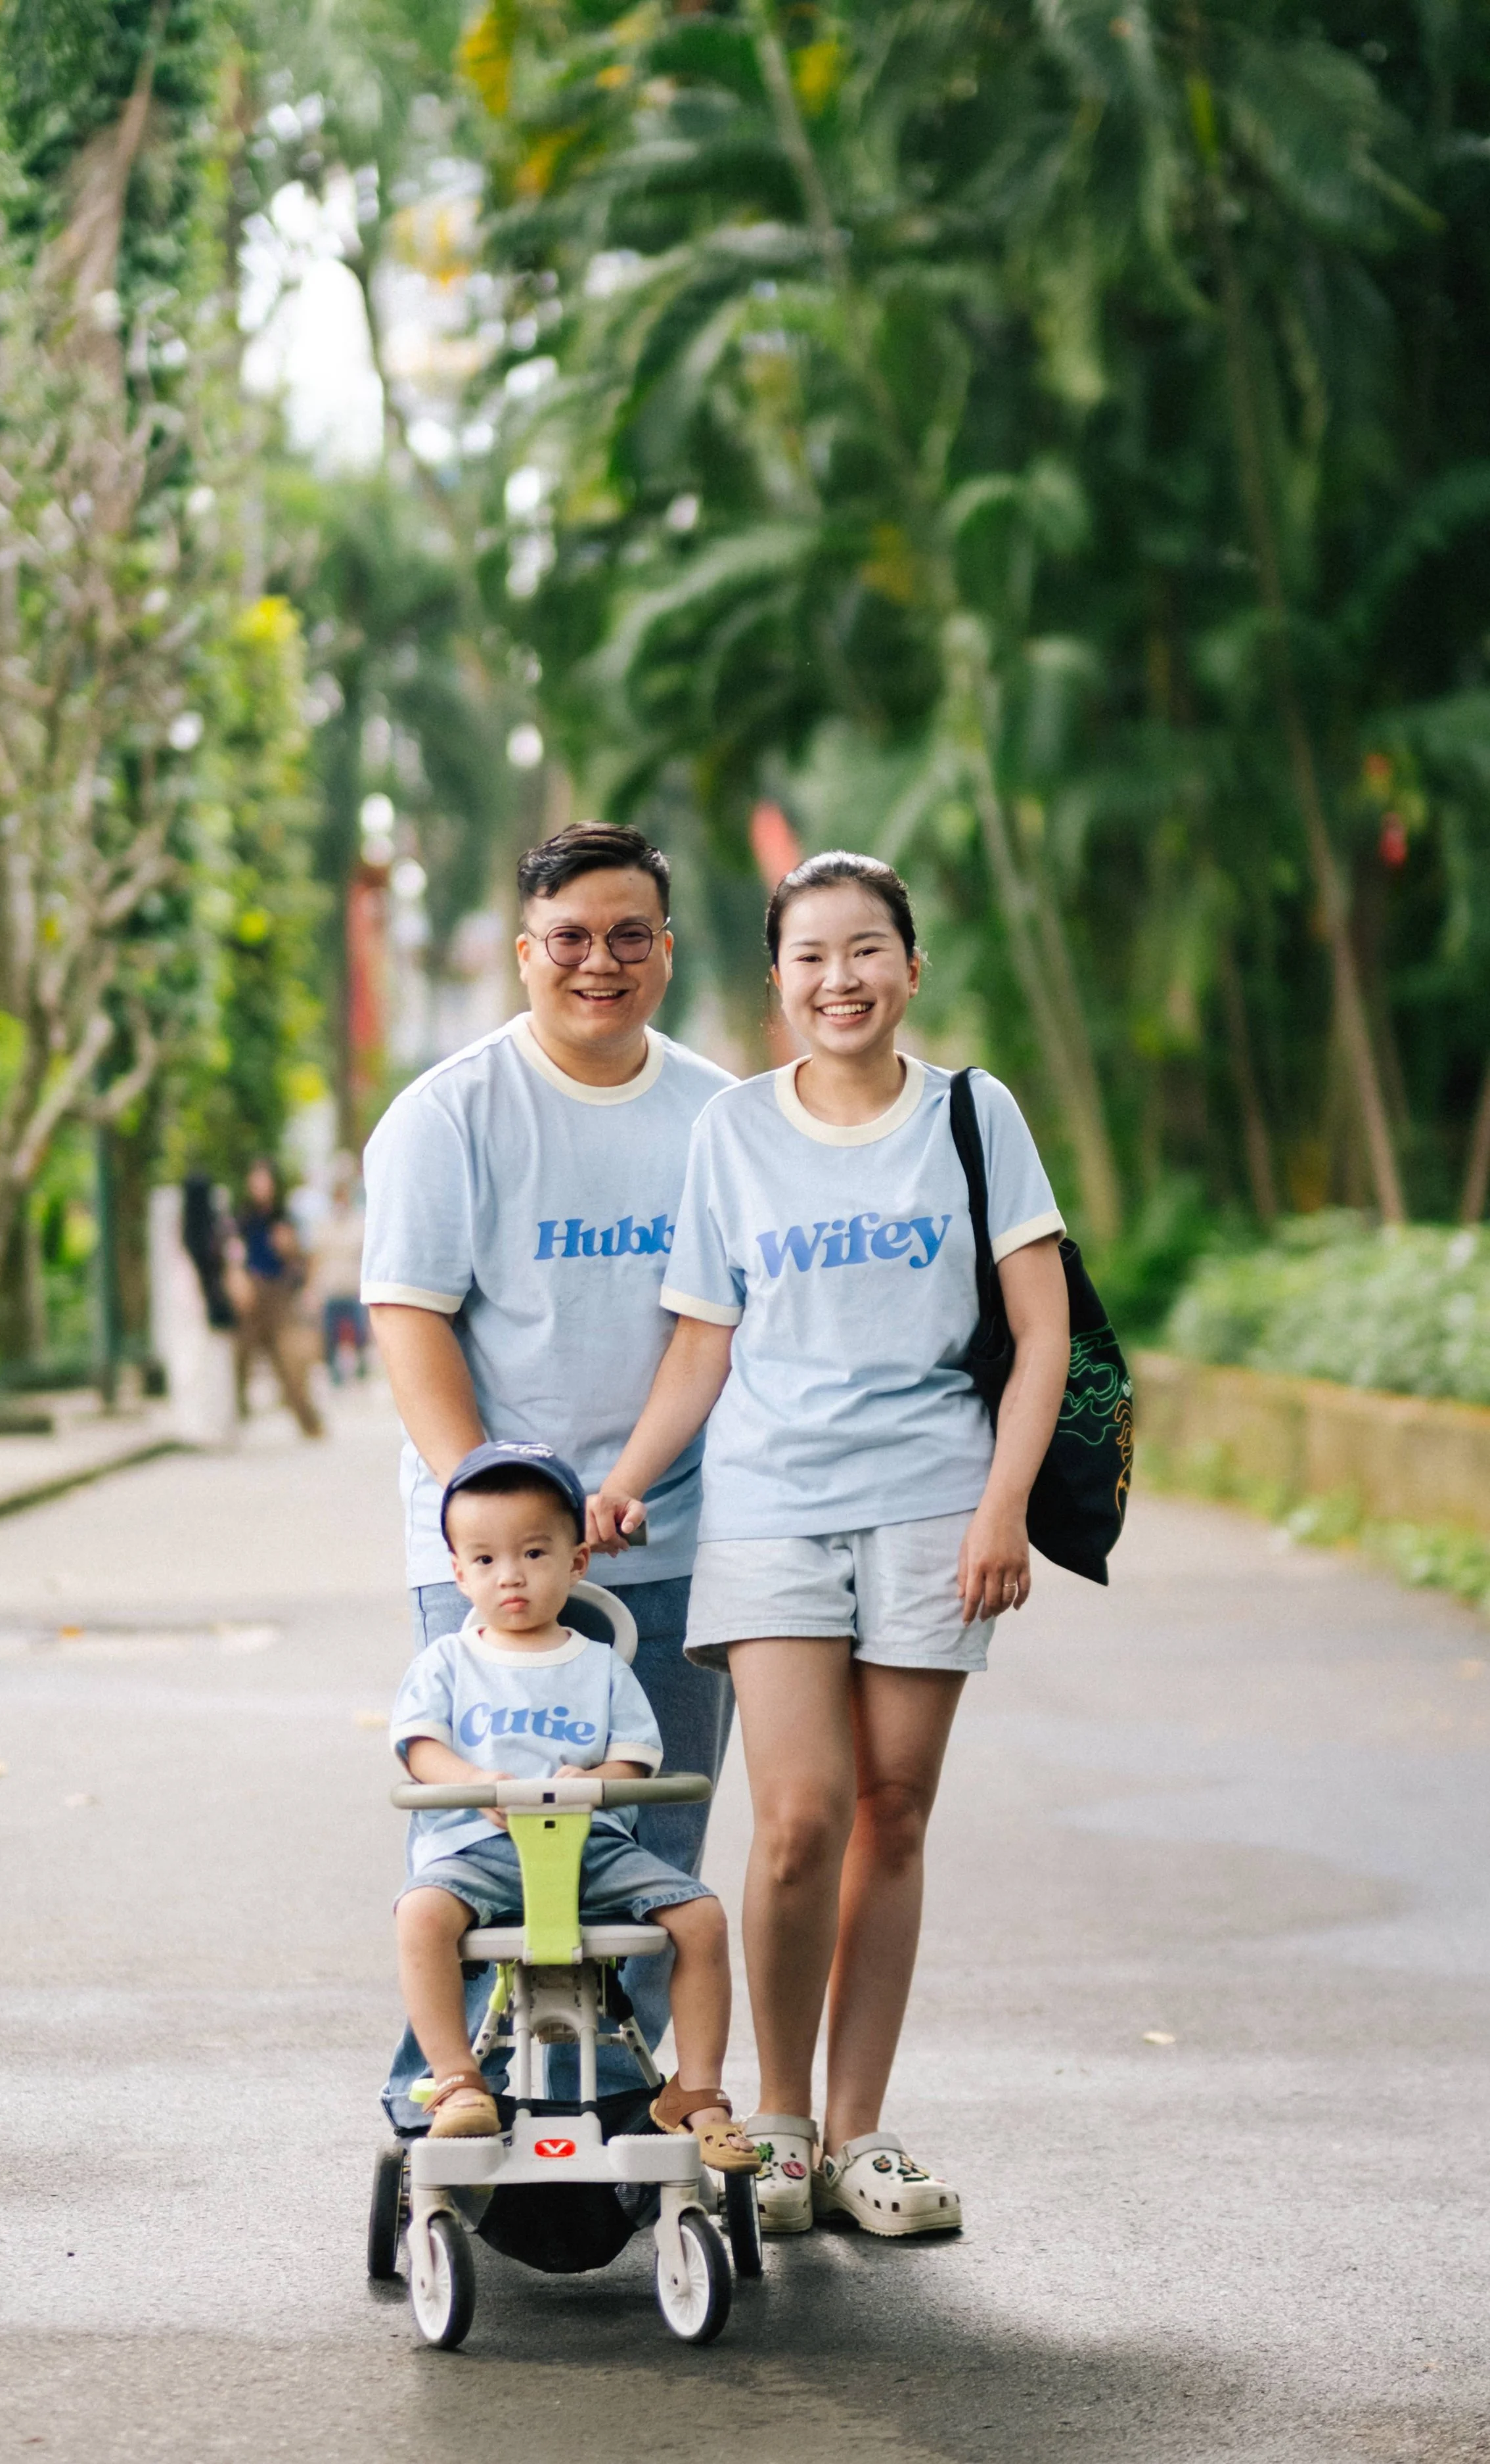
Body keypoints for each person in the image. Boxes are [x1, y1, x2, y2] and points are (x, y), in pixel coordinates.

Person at [591, 850, 1071, 2239]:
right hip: (771, 1506)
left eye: (865, 951)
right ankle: (781, 2121)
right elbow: (704, 1339)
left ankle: (861, 2133)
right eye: (810, 956)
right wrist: (624, 1482)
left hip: (934, 1506)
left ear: (909, 970)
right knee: (800, 1817)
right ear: (778, 979)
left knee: (894, 1811)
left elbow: (1040, 1329)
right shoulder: (733, 1129)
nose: (839, 980)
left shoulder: (973, 1115)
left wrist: (1001, 1507)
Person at [361, 821, 735, 2129]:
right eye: (569, 938)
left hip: (668, 1533)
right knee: (474, 1841)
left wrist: (623, 1486)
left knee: (647, 1842)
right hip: (490, 1554)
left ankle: (613, 2105)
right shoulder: (448, 1114)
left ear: (665, 952)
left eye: (629, 935)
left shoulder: (715, 1115)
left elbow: (708, 1329)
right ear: (525, 954)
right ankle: (446, 2100)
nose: (599, 962)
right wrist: (499, 1506)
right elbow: (409, 1320)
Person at [392, 1440, 758, 2174]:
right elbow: (419, 1748)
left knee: (701, 1918)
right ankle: (458, 2081)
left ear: (576, 1562)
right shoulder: (447, 1664)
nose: (511, 1575)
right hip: (482, 1848)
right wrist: (475, 1780)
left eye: (534, 1553)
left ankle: (697, 2091)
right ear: (459, 1573)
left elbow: (636, 1758)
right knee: (421, 1914)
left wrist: (595, 1779)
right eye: (486, 1559)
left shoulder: (601, 1666)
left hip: (593, 1847)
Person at [232, 1158, 324, 1439]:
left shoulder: (285, 1217)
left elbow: (306, 1256)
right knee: (240, 1358)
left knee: (290, 1363)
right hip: (252, 1292)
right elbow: (234, 1255)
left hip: (280, 1293)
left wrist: (290, 1248)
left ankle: (310, 1424)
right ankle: (233, 1419)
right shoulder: (243, 1218)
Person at [309, 1151, 369, 1383]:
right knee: (330, 1335)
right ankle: (334, 1374)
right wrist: (312, 1289)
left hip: (354, 1287)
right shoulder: (323, 1224)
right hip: (331, 1287)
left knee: (359, 1331)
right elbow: (316, 1257)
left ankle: (361, 1368)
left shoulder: (359, 1222)